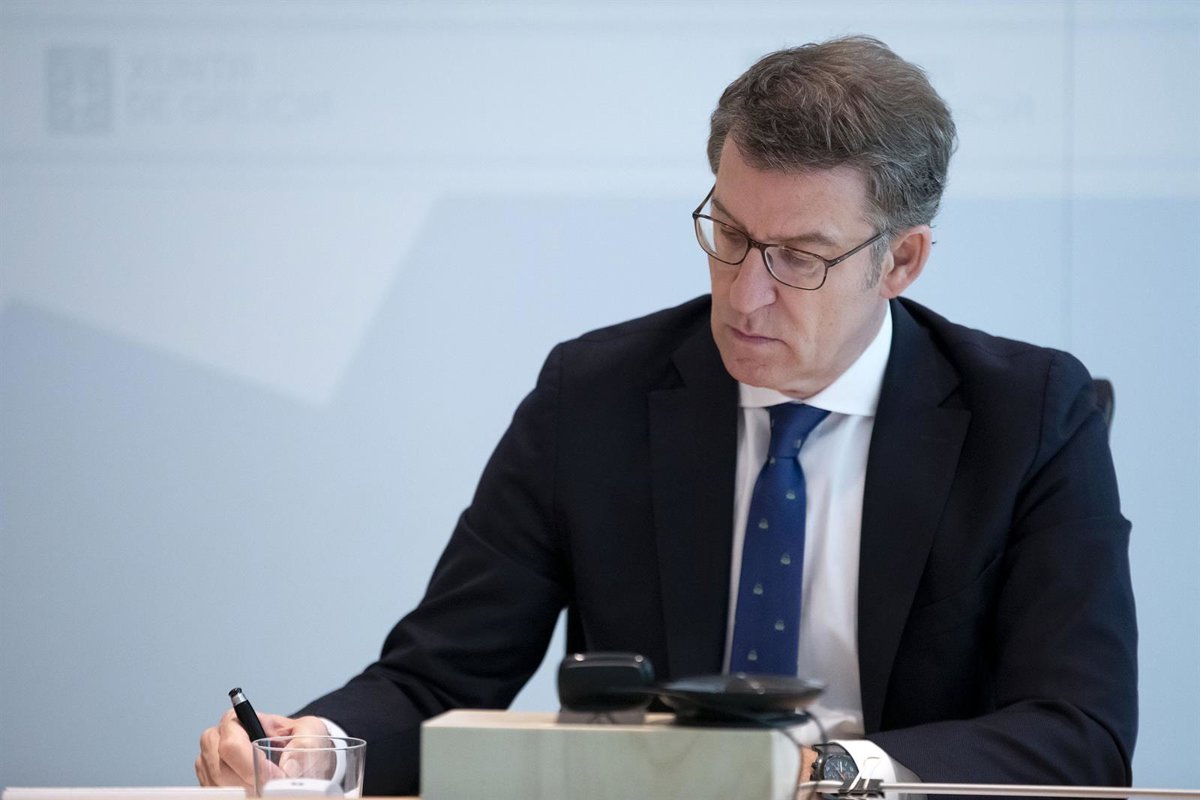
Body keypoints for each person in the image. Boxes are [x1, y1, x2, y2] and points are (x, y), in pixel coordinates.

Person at [196, 35, 1137, 797]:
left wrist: (826, 776)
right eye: (730, 235)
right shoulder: (594, 395)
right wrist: (312, 746)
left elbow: (1078, 733)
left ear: (901, 262)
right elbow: (438, 677)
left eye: (799, 257)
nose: (746, 295)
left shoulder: (1029, 417)